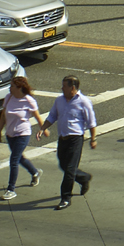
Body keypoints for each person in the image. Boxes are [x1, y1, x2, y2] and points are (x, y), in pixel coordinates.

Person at [41, 75, 96, 210]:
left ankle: (65, 198)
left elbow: (91, 122)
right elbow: (53, 116)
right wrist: (43, 128)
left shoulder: (84, 102)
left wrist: (93, 139)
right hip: (63, 138)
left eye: (64, 86)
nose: (62, 88)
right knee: (64, 166)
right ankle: (84, 178)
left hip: (75, 139)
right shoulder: (59, 100)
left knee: (70, 169)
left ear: (72, 88)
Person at [0, 75, 42, 201]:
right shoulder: (8, 97)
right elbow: (3, 116)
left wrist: (43, 129)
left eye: (12, 86)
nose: (10, 88)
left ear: (19, 88)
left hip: (23, 133)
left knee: (14, 160)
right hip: (10, 134)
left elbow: (37, 116)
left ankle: (11, 189)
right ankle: (35, 172)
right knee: (19, 158)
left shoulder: (28, 100)